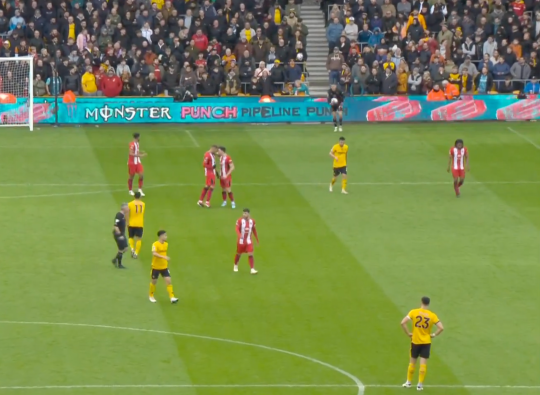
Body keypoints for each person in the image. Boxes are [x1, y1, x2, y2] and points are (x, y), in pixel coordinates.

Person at [401, 296, 444, 391]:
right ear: (428, 304)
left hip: (415, 341)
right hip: (426, 342)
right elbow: (441, 328)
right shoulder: (432, 315)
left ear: (421, 302)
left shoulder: (414, 312)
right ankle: (420, 385)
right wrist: (433, 334)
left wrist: (408, 333)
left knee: (412, 363)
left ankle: (408, 382)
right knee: (423, 364)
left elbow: (403, 323)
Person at [149, 230, 179, 304]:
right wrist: (164, 257)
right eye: (165, 235)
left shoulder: (166, 244)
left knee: (168, 281)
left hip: (164, 267)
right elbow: (154, 253)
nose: (166, 237)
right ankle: (151, 295)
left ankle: (172, 297)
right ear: (160, 236)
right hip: (156, 267)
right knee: (154, 282)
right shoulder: (155, 244)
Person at [234, 208, 259, 274]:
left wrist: (257, 239)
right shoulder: (239, 220)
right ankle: (235, 265)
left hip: (249, 241)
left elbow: (254, 230)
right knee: (239, 254)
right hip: (241, 241)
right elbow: (236, 229)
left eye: (245, 213)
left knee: (251, 254)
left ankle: (252, 269)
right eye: (243, 213)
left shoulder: (252, 221)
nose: (244, 214)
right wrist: (240, 235)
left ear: (248, 214)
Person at [128, 192, 145, 259]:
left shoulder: (130, 204)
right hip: (140, 224)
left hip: (131, 223)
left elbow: (128, 212)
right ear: (140, 197)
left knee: (131, 237)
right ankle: (136, 253)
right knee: (139, 239)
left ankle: (132, 248)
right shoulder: (143, 204)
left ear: (134, 196)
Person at [112, 203, 130, 269]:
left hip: (122, 234)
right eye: (127, 208)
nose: (128, 209)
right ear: (124, 208)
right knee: (121, 249)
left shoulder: (123, 215)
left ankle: (115, 260)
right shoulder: (119, 215)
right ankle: (119, 265)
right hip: (118, 235)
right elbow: (115, 226)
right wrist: (120, 235)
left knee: (125, 248)